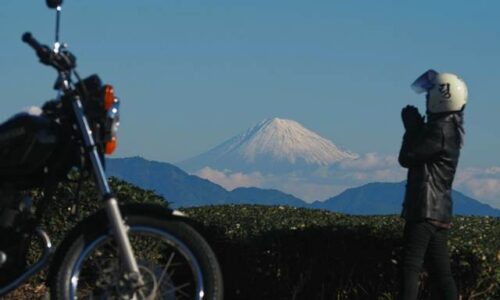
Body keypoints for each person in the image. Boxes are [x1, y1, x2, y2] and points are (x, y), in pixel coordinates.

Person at [398, 70, 467, 300]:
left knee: (410, 266)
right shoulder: (451, 128)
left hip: (424, 210)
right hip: (440, 212)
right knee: (441, 274)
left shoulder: (438, 130)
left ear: (440, 98)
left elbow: (407, 157)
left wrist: (411, 129)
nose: (426, 100)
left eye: (429, 95)